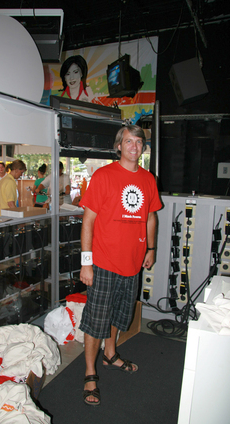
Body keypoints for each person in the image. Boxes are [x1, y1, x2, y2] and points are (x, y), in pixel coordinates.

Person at [78, 125, 162, 406]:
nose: (134, 146)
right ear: (119, 146)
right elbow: (88, 220)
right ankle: (90, 372)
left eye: (139, 142)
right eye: (129, 141)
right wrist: (86, 263)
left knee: (119, 314)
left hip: (132, 263)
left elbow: (151, 217)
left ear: (142, 147)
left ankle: (110, 353)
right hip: (102, 262)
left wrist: (151, 248)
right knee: (96, 319)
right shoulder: (103, 176)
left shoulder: (149, 179)